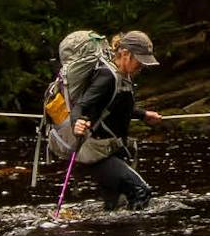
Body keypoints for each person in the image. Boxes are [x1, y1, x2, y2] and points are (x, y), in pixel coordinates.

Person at [56, 30, 163, 210]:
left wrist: (143, 115)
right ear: (125, 54)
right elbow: (80, 106)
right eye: (140, 61)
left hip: (111, 150)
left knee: (115, 207)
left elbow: (116, 107)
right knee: (141, 191)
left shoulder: (123, 75)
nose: (142, 66)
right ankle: (138, 235)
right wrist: (77, 123)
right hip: (97, 153)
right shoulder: (107, 76)